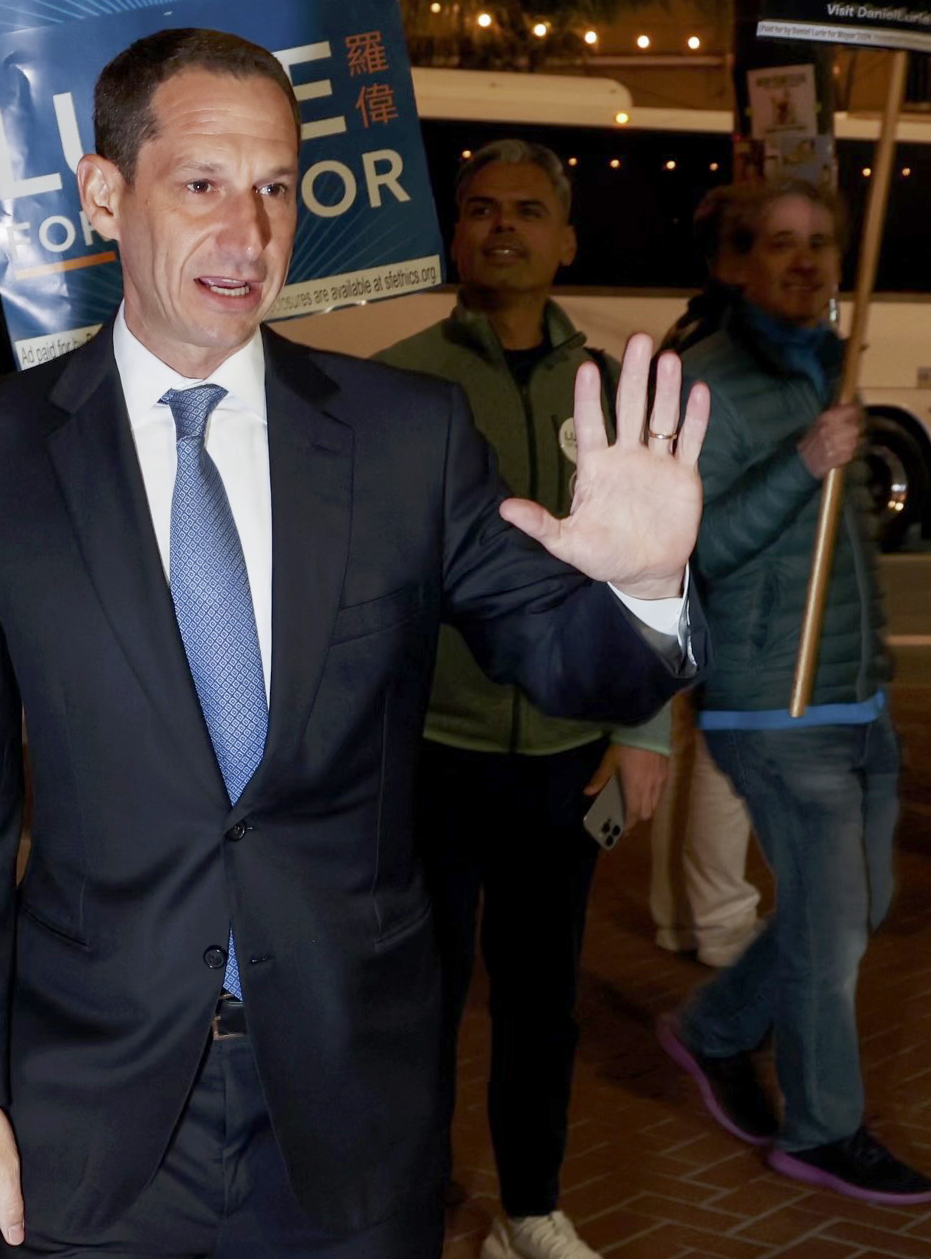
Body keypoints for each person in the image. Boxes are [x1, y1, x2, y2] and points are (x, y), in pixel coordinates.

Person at [0, 28, 708, 1259]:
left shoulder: (403, 438)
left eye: (276, 187)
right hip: (89, 1106)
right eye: (202, 185)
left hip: (348, 1101)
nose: (249, 233)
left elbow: (566, 661)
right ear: (105, 194)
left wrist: (645, 586)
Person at [377, 141, 671, 1259]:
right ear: (454, 236)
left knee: (542, 1001)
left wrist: (641, 725)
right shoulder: (396, 380)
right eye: (482, 210)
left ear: (566, 241)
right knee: (419, 999)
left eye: (529, 212)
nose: (503, 227)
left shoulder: (612, 386)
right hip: (427, 752)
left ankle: (529, 1208)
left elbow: (655, 565)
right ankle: (409, 1195)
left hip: (564, 753)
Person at [653, 177, 931, 1206]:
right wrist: (801, 462)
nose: (807, 261)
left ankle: (715, 1029)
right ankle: (821, 1129)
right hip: (771, 701)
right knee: (828, 924)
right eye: (780, 243)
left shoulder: (829, 368)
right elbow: (696, 547)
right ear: (735, 263)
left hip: (851, 695)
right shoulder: (703, 383)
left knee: (859, 903)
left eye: (821, 242)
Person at [649, 184, 764, 970]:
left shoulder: (693, 324)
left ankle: (675, 913)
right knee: (728, 755)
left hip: (682, 559)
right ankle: (723, 920)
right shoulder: (742, 341)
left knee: (689, 743)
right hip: (728, 563)